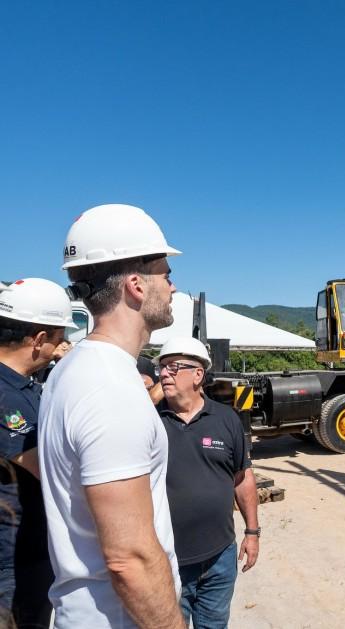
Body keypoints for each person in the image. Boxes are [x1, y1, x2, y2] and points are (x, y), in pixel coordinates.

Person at [39, 203, 186, 628]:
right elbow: (130, 559)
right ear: (137, 286)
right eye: (167, 274)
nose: (173, 287)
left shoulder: (74, 369)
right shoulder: (109, 388)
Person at [155, 336, 259, 628]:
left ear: (198, 374)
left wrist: (252, 532)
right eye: (161, 367)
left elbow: (242, 477)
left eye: (174, 367)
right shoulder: (150, 420)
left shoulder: (226, 419)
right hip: (167, 561)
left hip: (219, 557)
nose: (164, 373)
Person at [0, 278, 76, 628]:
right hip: (13, 560)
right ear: (40, 340)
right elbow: (48, 469)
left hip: (29, 549)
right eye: (60, 338)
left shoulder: (25, 387)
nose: (63, 347)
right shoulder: (6, 397)